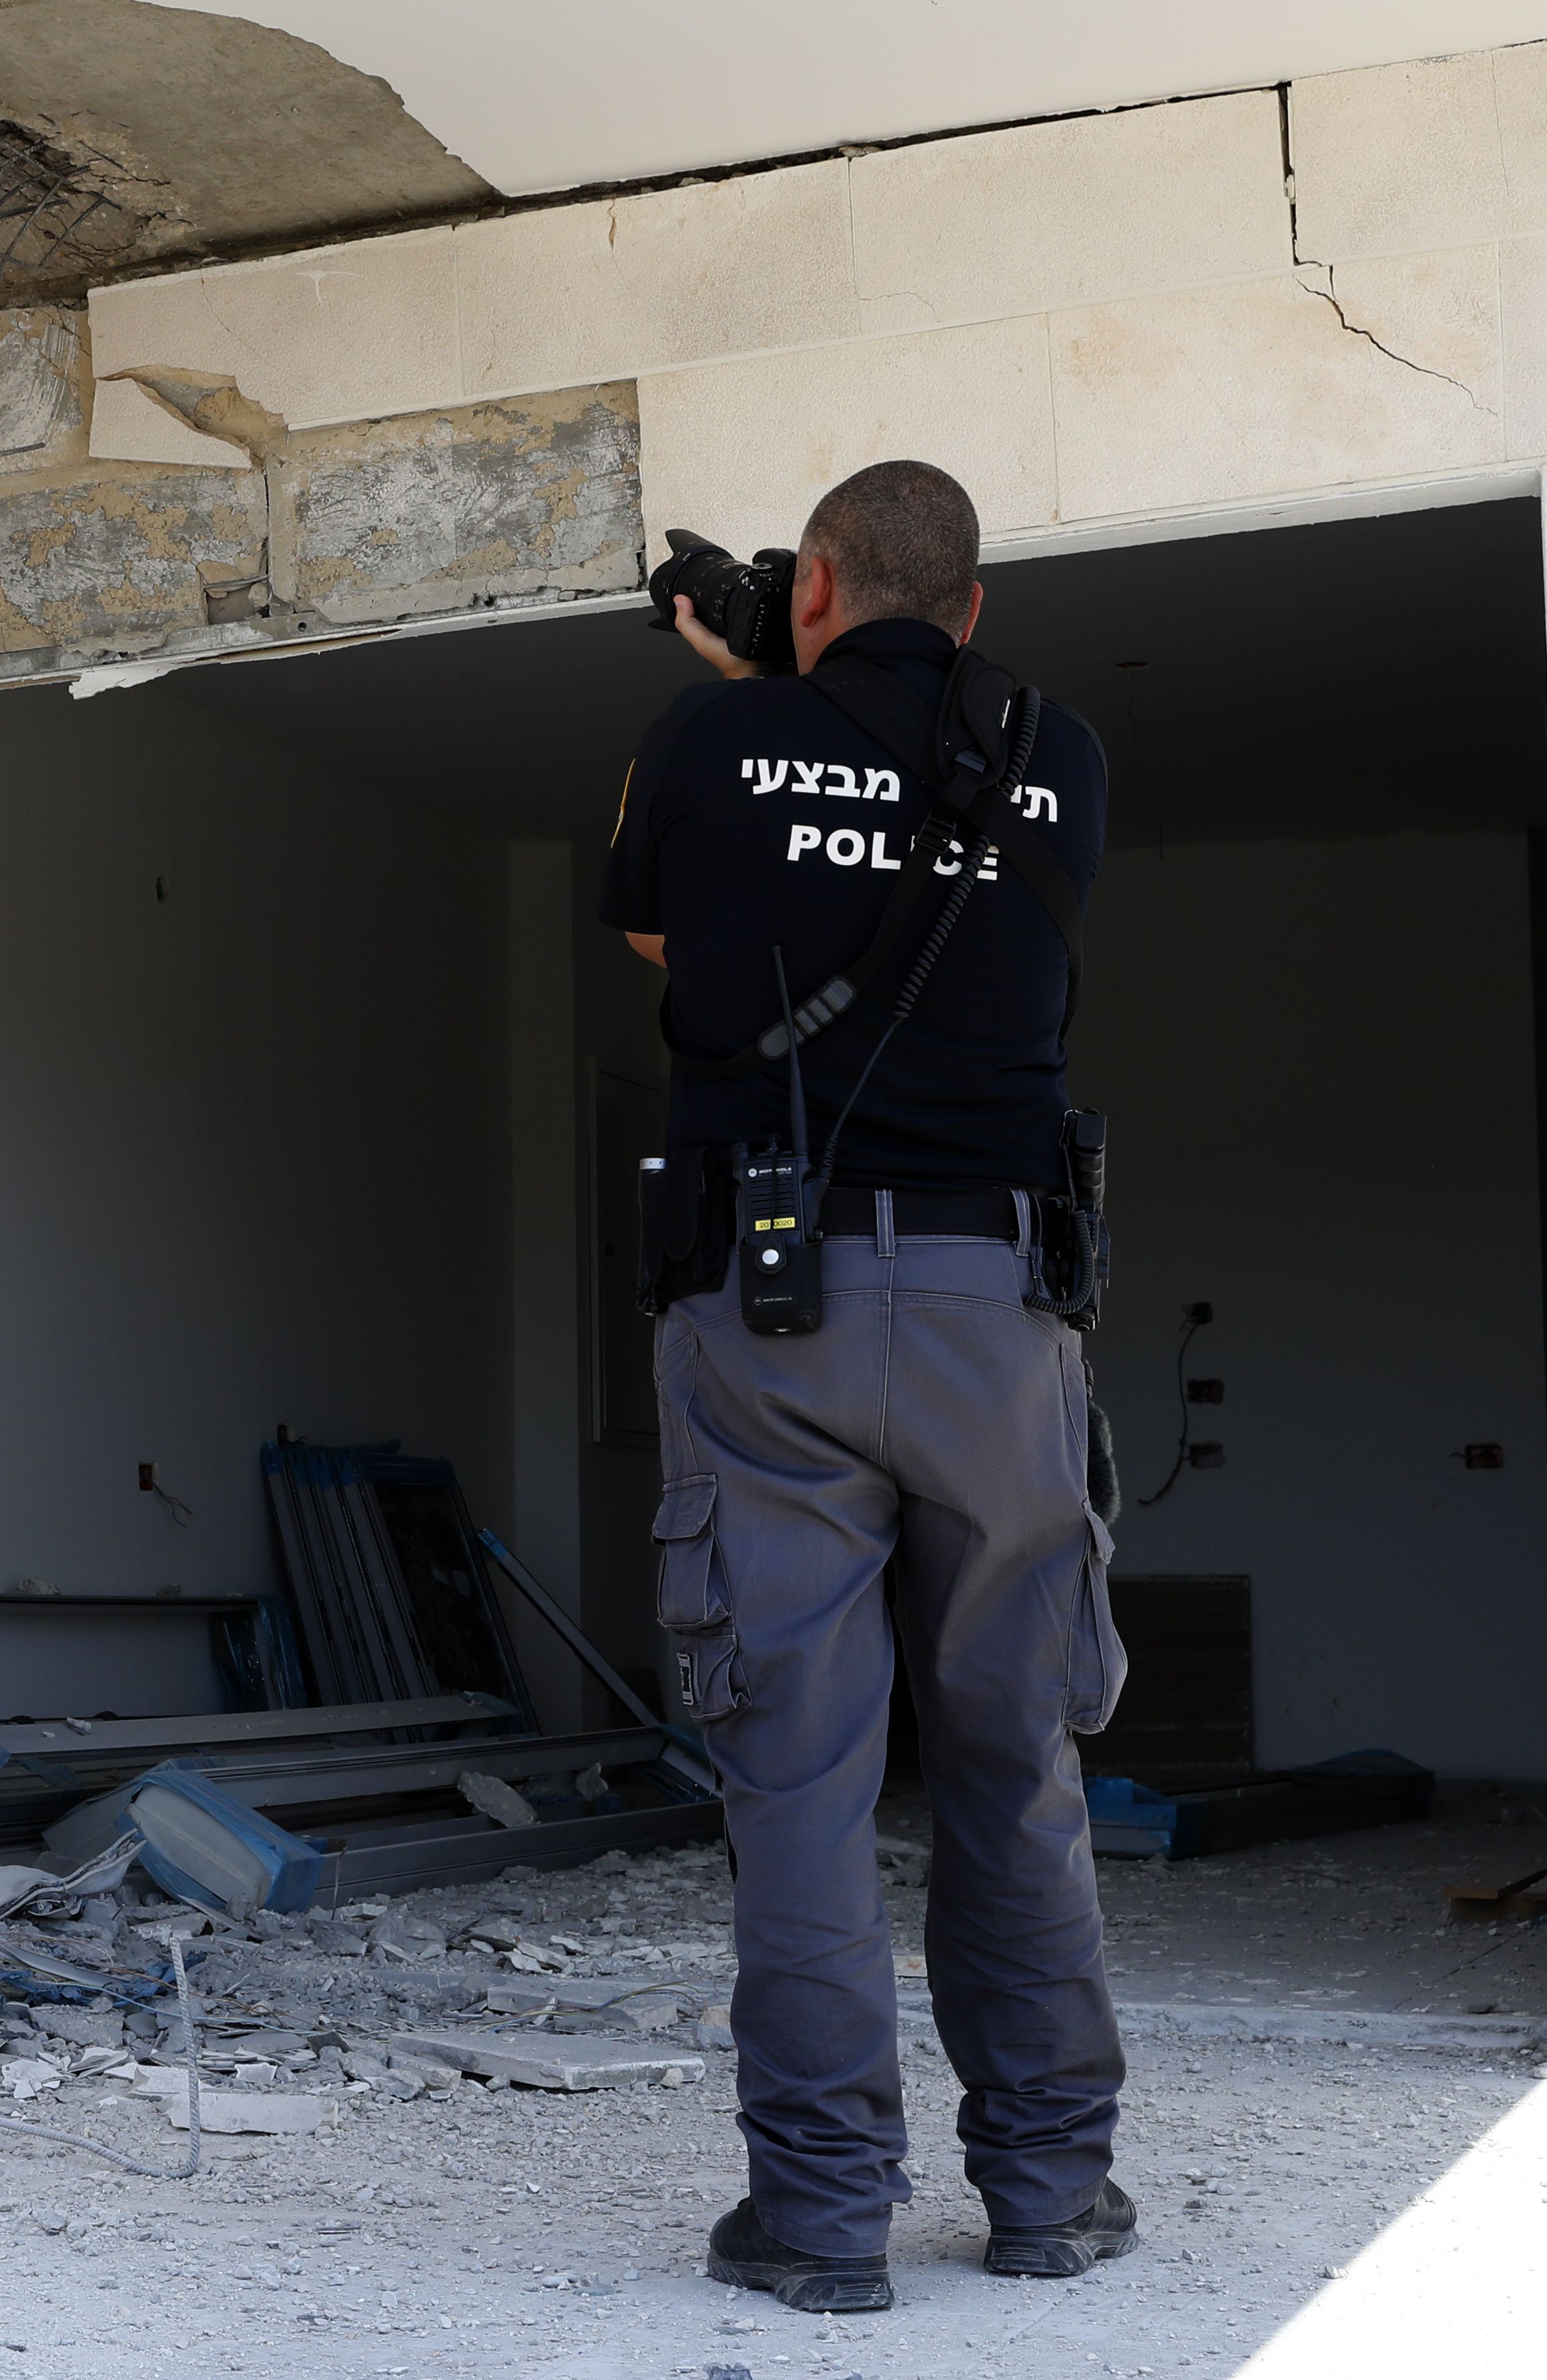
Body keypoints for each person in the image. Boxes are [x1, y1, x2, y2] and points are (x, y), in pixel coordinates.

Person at [600, 460, 1129, 2316]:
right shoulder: (1060, 756)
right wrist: (813, 701)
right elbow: (945, 885)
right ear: (971, 607)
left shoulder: (703, 740)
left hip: (776, 1312)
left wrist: (755, 695)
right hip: (1001, 1311)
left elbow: (692, 953)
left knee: (803, 1783)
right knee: (1016, 1761)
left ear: (808, 583)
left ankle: (825, 2223)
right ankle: (1053, 2192)